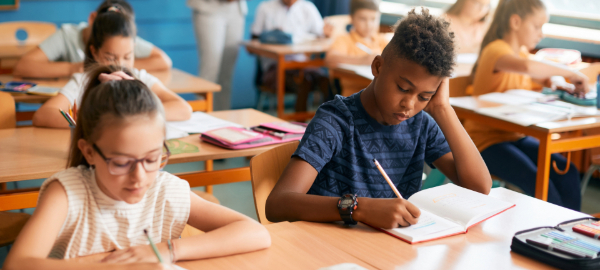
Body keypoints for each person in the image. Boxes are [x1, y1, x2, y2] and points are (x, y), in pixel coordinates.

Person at [4, 65, 271, 270]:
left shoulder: (164, 190)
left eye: (152, 159)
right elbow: (17, 264)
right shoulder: (67, 193)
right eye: (121, 163)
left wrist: (169, 251)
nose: (140, 177)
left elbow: (256, 234)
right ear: (88, 152)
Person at [265, 9, 492, 229]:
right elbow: (278, 204)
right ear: (378, 66)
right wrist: (359, 208)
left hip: (390, 251)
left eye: (425, 96)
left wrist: (443, 108)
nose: (409, 105)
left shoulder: (421, 124)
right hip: (330, 251)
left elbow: (479, 187)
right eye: (403, 88)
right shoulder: (336, 121)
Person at [467, 0, 589, 211]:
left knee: (567, 172)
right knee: (540, 182)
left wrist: (558, 82)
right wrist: (571, 73)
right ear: (515, 22)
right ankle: (551, 236)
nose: (540, 34)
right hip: (484, 142)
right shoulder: (496, 50)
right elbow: (527, 67)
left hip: (514, 136)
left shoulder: (521, 54)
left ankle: (570, 232)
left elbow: (542, 77)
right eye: (536, 26)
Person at [32, 5, 191, 128]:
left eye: (128, 57)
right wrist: (94, 121)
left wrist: (136, 115)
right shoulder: (85, 80)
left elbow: (183, 108)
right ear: (94, 52)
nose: (120, 65)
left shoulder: (139, 77)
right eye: (110, 57)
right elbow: (43, 115)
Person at [13, 0, 172, 79]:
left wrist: (120, 66)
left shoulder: (121, 39)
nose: (111, 34)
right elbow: (23, 66)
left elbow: (163, 61)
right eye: (110, 56)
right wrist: (76, 68)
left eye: (126, 55)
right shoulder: (67, 35)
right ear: (92, 19)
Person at [251, 0, 333, 112]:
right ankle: (300, 125)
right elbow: (253, 42)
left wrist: (326, 34)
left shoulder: (307, 8)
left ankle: (329, 123)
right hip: (274, 67)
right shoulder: (265, 8)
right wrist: (274, 37)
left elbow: (321, 34)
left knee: (325, 80)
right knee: (303, 81)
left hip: (302, 63)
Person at [187, 0, 247, 111]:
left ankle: (223, 120)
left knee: (226, 77)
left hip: (236, 9)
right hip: (209, 8)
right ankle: (200, 120)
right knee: (209, 72)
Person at [325, 0, 389, 96]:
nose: (369, 24)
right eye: (363, 19)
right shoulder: (344, 39)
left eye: (373, 19)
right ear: (352, 18)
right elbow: (330, 59)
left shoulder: (382, 40)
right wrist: (363, 60)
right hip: (354, 97)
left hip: (381, 95)